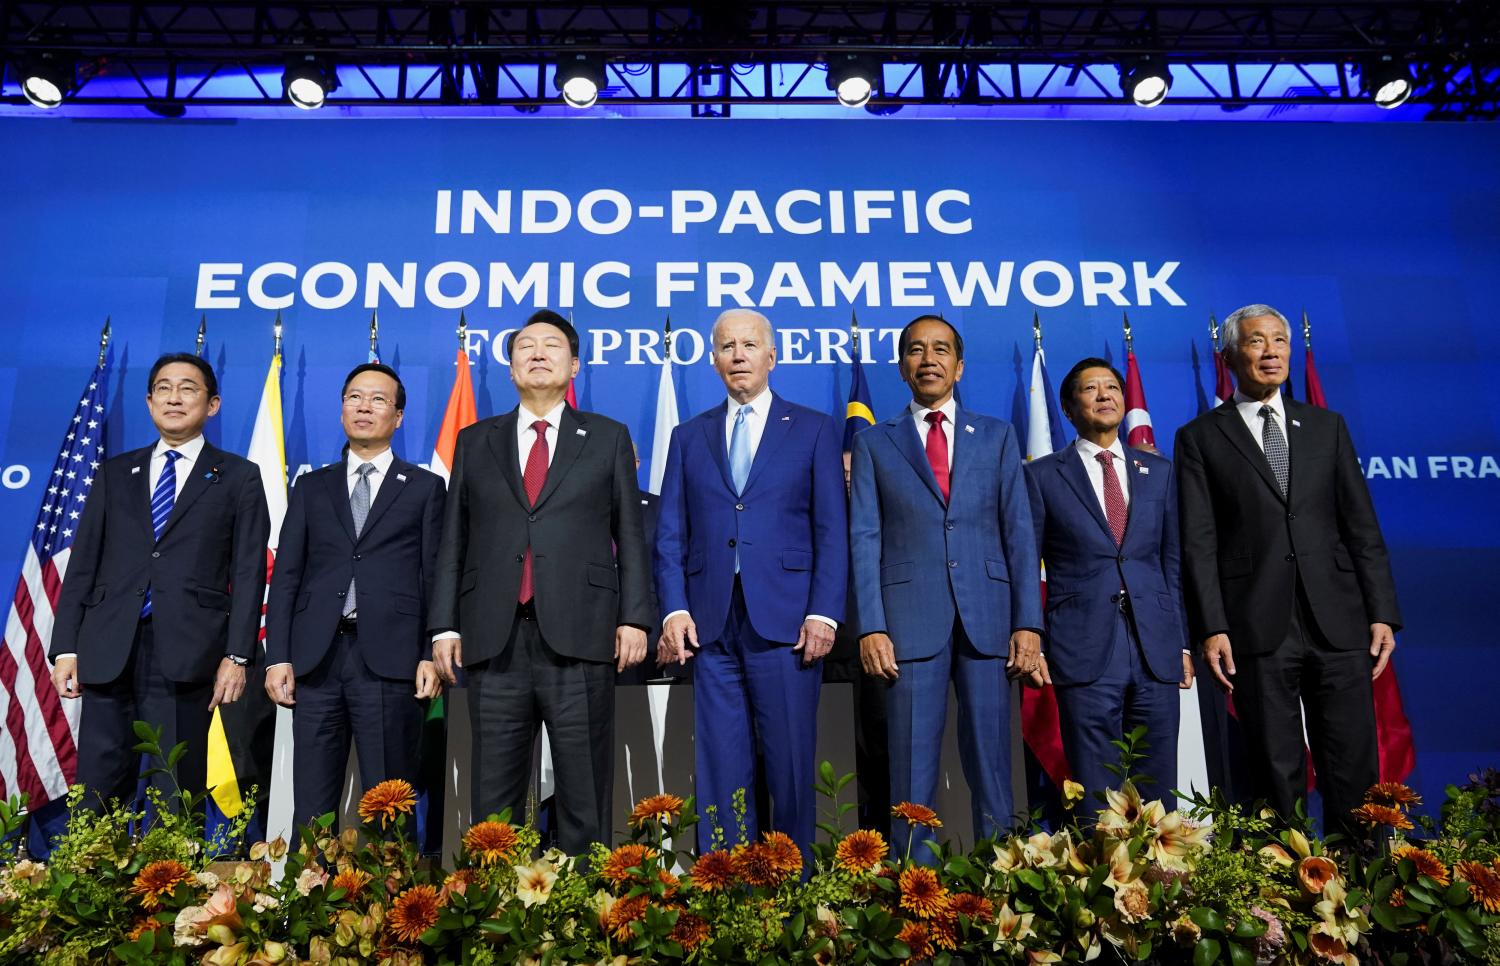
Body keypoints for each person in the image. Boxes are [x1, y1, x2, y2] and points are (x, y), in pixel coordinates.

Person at [429, 310, 653, 853]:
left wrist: (635, 617)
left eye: (551, 345)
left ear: (574, 364)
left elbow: (630, 531)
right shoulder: (476, 439)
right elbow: (453, 538)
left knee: (585, 791)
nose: (537, 353)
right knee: (495, 797)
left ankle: (586, 911)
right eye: (524, 346)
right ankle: (498, 917)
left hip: (582, 633)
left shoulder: (606, 437)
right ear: (509, 368)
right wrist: (443, 626)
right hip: (493, 635)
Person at [1175, 303, 1401, 834]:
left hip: (1337, 618)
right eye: (1257, 341)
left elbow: (1361, 527)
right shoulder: (1201, 436)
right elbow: (1199, 543)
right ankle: (1284, 900)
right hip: (1256, 622)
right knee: (1275, 769)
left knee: (1354, 764)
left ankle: (1368, 895)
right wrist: (1212, 626)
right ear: (1230, 355)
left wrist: (1382, 612)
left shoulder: (1327, 427)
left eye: (1279, 340)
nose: (1272, 351)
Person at [656, 308, 847, 857]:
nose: (737, 355)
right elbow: (670, 533)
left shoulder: (812, 428)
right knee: (719, 771)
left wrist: (824, 612)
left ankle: (796, 895)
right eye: (726, 346)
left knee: (789, 766)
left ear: (772, 356)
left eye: (749, 344)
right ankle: (728, 897)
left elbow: (831, 531)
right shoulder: (689, 436)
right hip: (710, 626)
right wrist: (673, 609)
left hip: (788, 623)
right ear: (713, 360)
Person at [848, 315, 1041, 857]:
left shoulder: (999, 436)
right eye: (915, 350)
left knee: (993, 771)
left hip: (990, 623)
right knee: (911, 777)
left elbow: (1019, 536)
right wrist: (872, 626)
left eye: (940, 350)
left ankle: (1005, 891)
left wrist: (1028, 622)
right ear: (902, 366)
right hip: (907, 625)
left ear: (959, 366)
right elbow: (864, 538)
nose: (928, 359)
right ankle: (917, 899)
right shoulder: (873, 443)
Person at [51, 353, 270, 809]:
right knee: (97, 787)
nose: (175, 397)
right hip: (110, 646)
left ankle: (168, 881)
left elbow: (248, 572)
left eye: (188, 388)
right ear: (150, 402)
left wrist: (238, 655)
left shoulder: (238, 477)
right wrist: (66, 646)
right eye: (164, 388)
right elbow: (83, 565)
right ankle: (94, 877)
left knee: (173, 788)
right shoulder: (115, 473)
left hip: (189, 653)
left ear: (212, 405)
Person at [264, 362, 446, 829]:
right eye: (354, 397)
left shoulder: (425, 487)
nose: (364, 407)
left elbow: (436, 575)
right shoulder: (311, 486)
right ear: (343, 409)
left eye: (379, 399)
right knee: (311, 804)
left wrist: (429, 652)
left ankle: (393, 900)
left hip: (392, 660)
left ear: (398, 416)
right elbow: (287, 576)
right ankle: (309, 897)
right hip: (316, 662)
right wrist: (277, 656)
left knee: (388, 802)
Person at [1024, 357, 1191, 811]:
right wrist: (1033, 639)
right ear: (1067, 407)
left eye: (1113, 387)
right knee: (1097, 792)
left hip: (1155, 647)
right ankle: (1103, 879)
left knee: (1159, 790)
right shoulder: (1041, 476)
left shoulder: (1159, 471)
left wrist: (1182, 644)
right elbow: (1024, 565)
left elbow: (1171, 563)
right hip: (1082, 646)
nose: (1105, 396)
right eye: (1091, 389)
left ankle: (1160, 879)